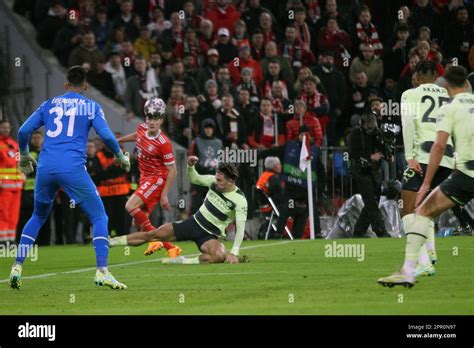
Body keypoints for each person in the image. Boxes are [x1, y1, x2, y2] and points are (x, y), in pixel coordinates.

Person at [10, 66, 130, 290]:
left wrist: (25, 155)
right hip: (72, 169)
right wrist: (120, 156)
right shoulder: (91, 106)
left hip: (46, 168)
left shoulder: (49, 104)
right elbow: (105, 135)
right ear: (85, 86)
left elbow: (24, 130)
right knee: (99, 217)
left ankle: (17, 265)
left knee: (38, 216)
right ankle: (102, 270)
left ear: (66, 85)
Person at [378, 66, 474, 288]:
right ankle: (427, 257)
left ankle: (421, 262)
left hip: (424, 156)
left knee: (410, 210)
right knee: (426, 209)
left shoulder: (410, 94)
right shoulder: (454, 99)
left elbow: (409, 123)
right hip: (453, 161)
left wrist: (410, 156)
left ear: (417, 78)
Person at [110, 159, 248, 265]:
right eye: (216, 178)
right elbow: (194, 178)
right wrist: (190, 166)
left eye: (220, 180)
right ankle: (113, 242)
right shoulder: (212, 182)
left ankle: (181, 261)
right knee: (153, 234)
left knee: (219, 256)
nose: (216, 182)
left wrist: (234, 252)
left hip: (209, 235)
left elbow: (240, 229)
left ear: (230, 181)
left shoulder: (240, 200)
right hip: (193, 224)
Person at [117, 97, 181, 258]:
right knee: (139, 222)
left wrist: (164, 194)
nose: (152, 121)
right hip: (145, 179)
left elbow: (173, 170)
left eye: (156, 118)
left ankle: (156, 241)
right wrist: (118, 140)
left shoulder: (163, 143)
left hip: (156, 179)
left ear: (161, 121)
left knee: (130, 206)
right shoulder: (141, 128)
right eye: (150, 117)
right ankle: (171, 248)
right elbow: (137, 136)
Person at [348, 113, 391, 238]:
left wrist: (388, 154)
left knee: (373, 201)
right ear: (362, 124)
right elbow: (353, 153)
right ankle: (381, 231)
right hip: (360, 171)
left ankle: (359, 231)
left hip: (374, 170)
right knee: (371, 201)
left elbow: (382, 145)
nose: (371, 130)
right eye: (369, 127)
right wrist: (369, 157)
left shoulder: (376, 133)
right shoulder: (356, 133)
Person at [188, 119, 223, 214]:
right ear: (203, 129)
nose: (208, 130)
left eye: (210, 128)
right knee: (197, 203)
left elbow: (222, 159)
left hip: (214, 175)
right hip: (200, 175)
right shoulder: (196, 141)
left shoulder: (219, 143)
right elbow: (191, 158)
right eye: (206, 128)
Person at [0, 119, 24, 242]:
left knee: (14, 215)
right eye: (4, 127)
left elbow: (18, 163)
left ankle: (11, 239)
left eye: (8, 128)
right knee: (3, 213)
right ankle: (2, 240)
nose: (6, 130)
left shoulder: (14, 144)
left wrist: (22, 174)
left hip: (17, 185)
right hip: (3, 186)